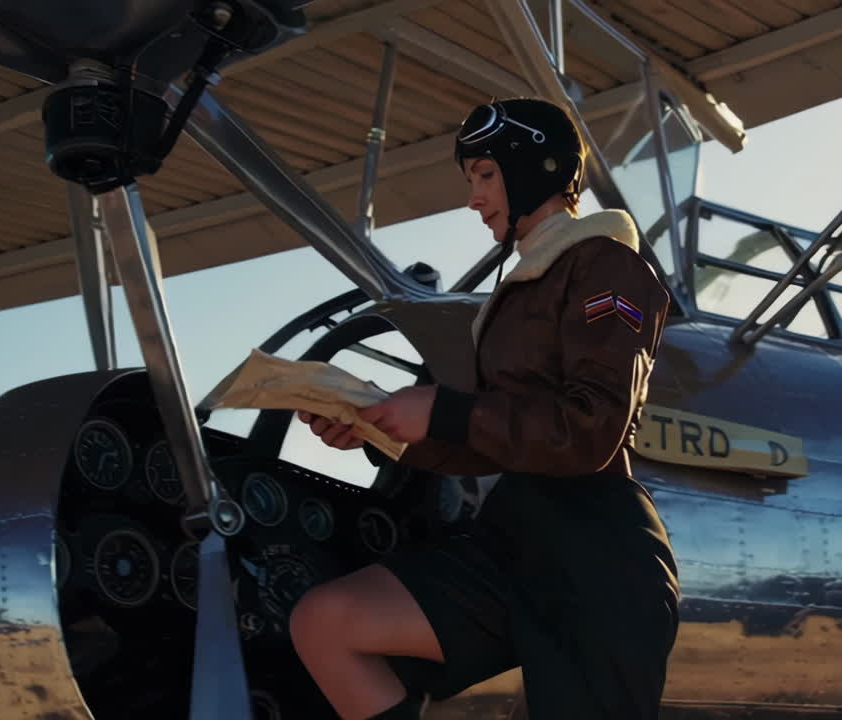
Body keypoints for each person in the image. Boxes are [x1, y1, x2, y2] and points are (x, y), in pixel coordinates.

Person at [289, 97, 679, 720]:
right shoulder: (514, 292)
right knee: (326, 622)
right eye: (472, 179)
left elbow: (591, 428)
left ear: (538, 169)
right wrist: (375, 428)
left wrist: (443, 412)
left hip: (597, 557)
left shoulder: (608, 266)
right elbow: (486, 440)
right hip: (512, 538)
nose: (473, 198)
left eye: (486, 175)